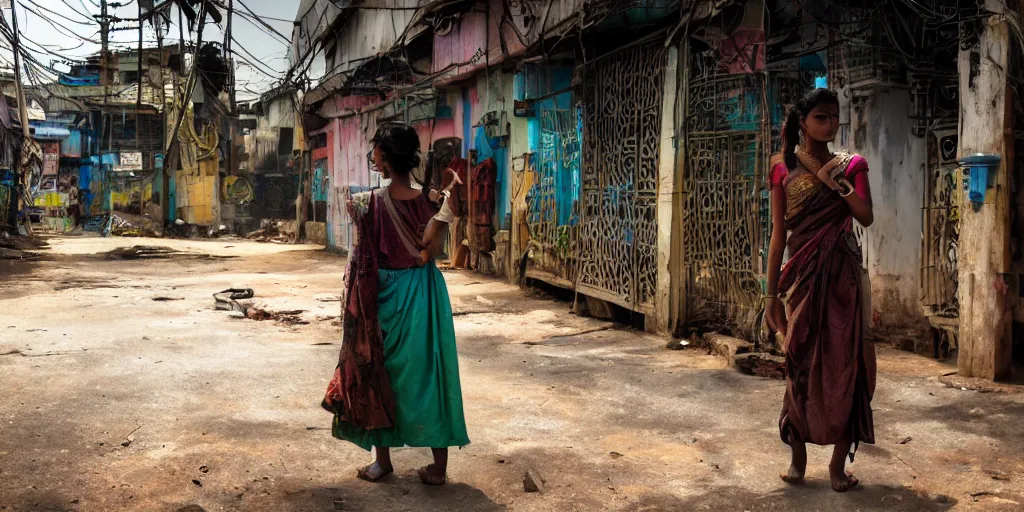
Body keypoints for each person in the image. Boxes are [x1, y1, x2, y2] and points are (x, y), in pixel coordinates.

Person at [322, 123, 469, 486]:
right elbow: (436, 247)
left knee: (377, 372)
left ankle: (382, 462)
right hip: (423, 293)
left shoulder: (366, 203)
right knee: (428, 375)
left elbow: (360, 258)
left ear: (385, 158)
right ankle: (438, 468)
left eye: (375, 150)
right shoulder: (432, 200)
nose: (372, 156)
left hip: (381, 294)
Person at [764, 88, 876, 493]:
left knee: (846, 368)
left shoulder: (851, 165)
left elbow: (866, 216)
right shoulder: (781, 167)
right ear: (804, 121)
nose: (831, 126)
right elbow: (778, 236)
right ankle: (797, 459)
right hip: (802, 282)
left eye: (835, 118)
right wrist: (769, 295)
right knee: (799, 365)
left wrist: (839, 183)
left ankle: (836, 468)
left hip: (842, 280)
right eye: (822, 118)